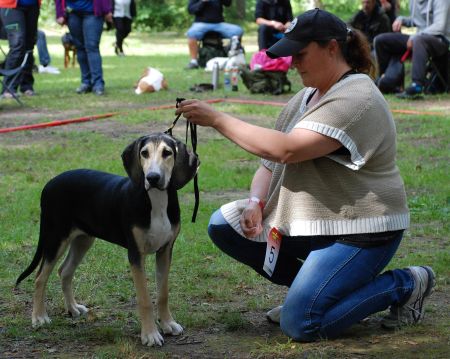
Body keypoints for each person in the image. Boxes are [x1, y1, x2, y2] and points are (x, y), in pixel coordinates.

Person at [176, 9, 436, 341]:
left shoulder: (357, 97)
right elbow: (269, 165)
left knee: (301, 324)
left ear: (331, 47)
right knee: (224, 225)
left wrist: (218, 119)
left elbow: (286, 149)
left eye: (300, 54)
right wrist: (256, 202)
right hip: (318, 222)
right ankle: (319, 294)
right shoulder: (306, 95)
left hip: (362, 231)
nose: (293, 63)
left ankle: (405, 284)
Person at [374, 0, 450, 99]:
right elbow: (417, 21)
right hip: (418, 37)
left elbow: (440, 27)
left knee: (418, 40)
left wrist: (415, 36)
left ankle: (417, 85)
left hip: (440, 40)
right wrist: (402, 19)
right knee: (381, 40)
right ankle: (387, 82)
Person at [55, 0, 112, 96]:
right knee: (79, 47)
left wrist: (107, 10)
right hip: (72, 12)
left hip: (93, 12)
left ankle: (98, 84)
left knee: (92, 46)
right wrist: (59, 13)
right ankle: (86, 82)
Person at [186, 0, 243, 69]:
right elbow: (191, 10)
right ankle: (194, 61)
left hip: (219, 23)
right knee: (191, 33)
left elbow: (228, 4)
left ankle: (234, 58)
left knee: (238, 31)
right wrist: (202, 2)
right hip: (201, 23)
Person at [0, 0, 40, 98]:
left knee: (29, 46)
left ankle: (26, 85)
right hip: (10, 6)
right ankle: (9, 87)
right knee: (17, 44)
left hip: (32, 5)